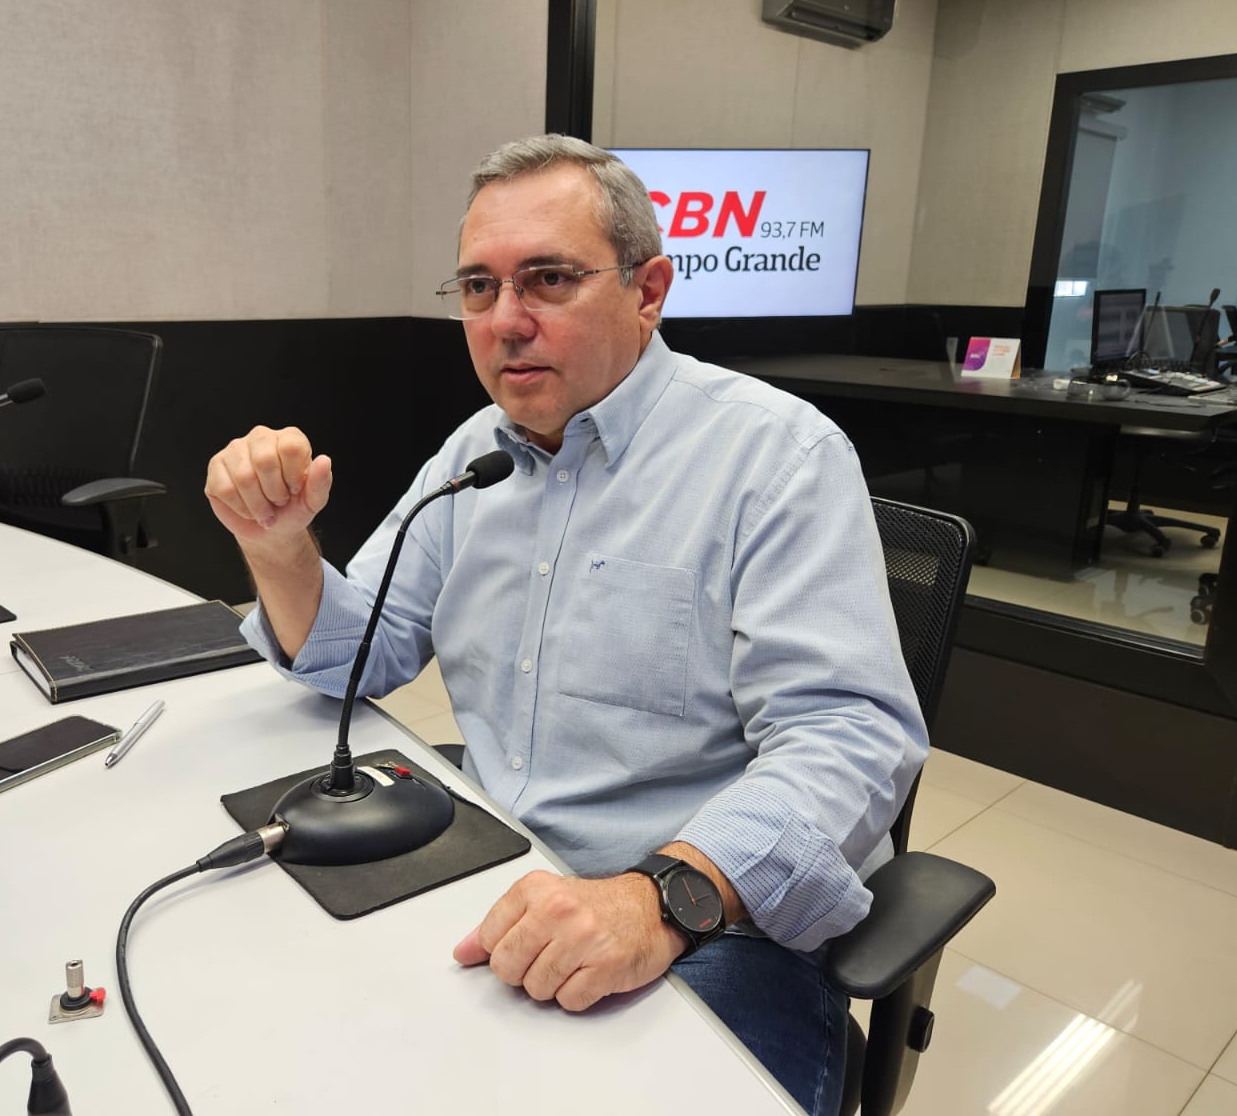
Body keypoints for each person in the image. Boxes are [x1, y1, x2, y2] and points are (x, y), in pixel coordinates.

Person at [205, 134, 925, 1116]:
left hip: (713, 916)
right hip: (498, 868)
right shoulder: (476, 454)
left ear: (649, 289)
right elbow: (352, 658)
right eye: (477, 287)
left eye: (547, 278)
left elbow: (852, 736)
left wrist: (660, 897)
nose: (505, 321)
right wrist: (281, 547)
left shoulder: (775, 457)